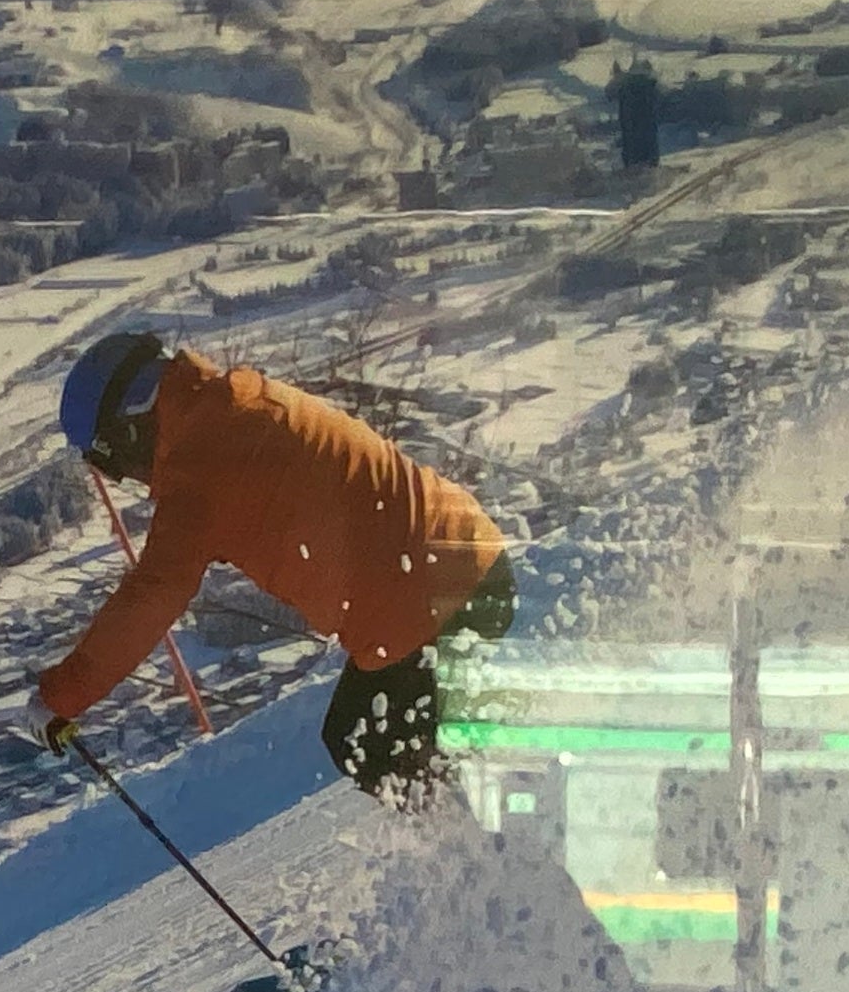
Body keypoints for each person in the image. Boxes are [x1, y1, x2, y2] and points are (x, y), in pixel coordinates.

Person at [36, 332, 518, 800]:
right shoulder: (240, 397)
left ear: (127, 433)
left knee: (367, 744)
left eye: (117, 466)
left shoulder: (199, 466)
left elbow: (152, 596)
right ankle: (497, 819)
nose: (137, 479)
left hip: (429, 602)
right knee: (380, 737)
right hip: (464, 561)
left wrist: (60, 698)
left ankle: (487, 840)